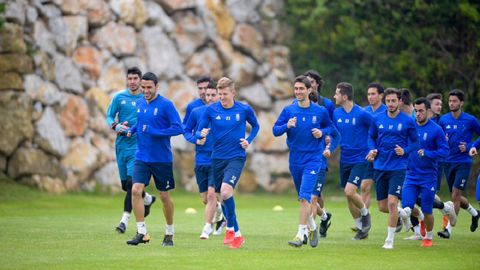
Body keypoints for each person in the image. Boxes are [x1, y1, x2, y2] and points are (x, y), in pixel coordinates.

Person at [195, 77, 260, 249]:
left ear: (233, 92)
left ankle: (229, 228)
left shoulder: (244, 109)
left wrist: (249, 140)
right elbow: (199, 131)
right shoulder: (211, 110)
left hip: (236, 157)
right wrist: (200, 136)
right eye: (220, 94)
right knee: (222, 197)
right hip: (217, 159)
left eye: (225, 94)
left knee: (224, 192)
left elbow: (256, 127)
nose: (222, 97)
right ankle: (237, 234)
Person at [273, 75, 334, 248]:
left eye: (301, 89)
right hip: (295, 160)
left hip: (314, 160)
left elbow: (330, 128)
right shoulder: (289, 110)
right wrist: (287, 126)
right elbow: (275, 130)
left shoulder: (320, 111)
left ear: (309, 90)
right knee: (304, 199)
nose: (298, 92)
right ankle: (313, 227)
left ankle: (301, 234)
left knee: (304, 197)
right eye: (296, 89)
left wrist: (322, 133)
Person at [125, 72, 184, 246]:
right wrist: (133, 130)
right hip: (142, 157)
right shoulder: (140, 103)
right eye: (143, 87)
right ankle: (142, 232)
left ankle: (169, 233)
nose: (145, 91)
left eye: (149, 87)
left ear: (157, 87)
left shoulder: (166, 105)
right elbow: (142, 122)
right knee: (135, 190)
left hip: (161, 159)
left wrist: (155, 132)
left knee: (164, 196)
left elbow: (178, 128)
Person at [366, 88, 418, 249]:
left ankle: (389, 241)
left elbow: (416, 143)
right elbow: (371, 137)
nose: (390, 104)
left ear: (399, 101)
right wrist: (372, 149)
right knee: (383, 207)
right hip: (380, 166)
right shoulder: (377, 119)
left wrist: (405, 151)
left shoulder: (408, 120)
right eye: (388, 101)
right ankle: (404, 213)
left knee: (392, 202)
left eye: (393, 101)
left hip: (398, 167)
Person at [105, 67, 155, 234]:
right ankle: (147, 199)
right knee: (126, 186)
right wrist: (116, 125)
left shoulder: (145, 99)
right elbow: (109, 116)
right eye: (130, 78)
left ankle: (124, 221)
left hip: (138, 147)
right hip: (121, 146)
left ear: (141, 81)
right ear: (127, 80)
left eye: (135, 78)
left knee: (132, 183)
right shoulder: (119, 97)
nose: (132, 81)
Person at [399, 97, 449, 247]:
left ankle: (428, 237)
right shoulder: (410, 127)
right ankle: (413, 221)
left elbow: (445, 151)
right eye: (416, 110)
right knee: (407, 206)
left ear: (428, 111)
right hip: (411, 175)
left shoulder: (436, 130)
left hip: (428, 176)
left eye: (421, 111)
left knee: (428, 210)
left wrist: (428, 153)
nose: (418, 114)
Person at [183, 80, 225, 239]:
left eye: (214, 95)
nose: (210, 98)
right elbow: (186, 130)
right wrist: (195, 139)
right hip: (200, 160)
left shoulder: (224, 113)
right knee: (205, 199)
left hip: (217, 159)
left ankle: (206, 228)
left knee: (212, 195)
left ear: (219, 96)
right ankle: (220, 214)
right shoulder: (196, 112)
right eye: (208, 95)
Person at [332, 82, 372, 240]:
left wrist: (372, 149)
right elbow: (331, 130)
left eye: (337, 93)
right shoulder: (336, 114)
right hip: (345, 159)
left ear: (345, 96)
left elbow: (375, 130)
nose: (334, 96)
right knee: (348, 195)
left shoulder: (362, 114)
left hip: (360, 159)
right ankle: (362, 228)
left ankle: (365, 214)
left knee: (350, 191)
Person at [438, 89, 480, 233]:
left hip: (463, 162)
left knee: (455, 195)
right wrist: (443, 140)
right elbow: (438, 138)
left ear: (461, 103)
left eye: (455, 101)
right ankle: (475, 214)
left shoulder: (470, 120)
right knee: (456, 197)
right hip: (448, 162)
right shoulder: (443, 120)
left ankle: (448, 229)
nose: (451, 103)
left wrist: (471, 146)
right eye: (450, 101)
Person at [303, 70, 334, 237]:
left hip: (319, 157)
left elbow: (332, 129)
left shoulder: (326, 105)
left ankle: (307, 232)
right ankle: (324, 216)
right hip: (302, 158)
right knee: (311, 196)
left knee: (313, 198)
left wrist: (327, 143)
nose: (309, 86)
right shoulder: (296, 104)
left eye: (312, 82)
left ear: (317, 85)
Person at [361, 83, 386, 222]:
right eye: (368, 94)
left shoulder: (387, 112)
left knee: (388, 196)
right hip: (369, 155)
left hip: (384, 156)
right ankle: (365, 221)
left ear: (381, 95)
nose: (370, 96)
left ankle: (399, 215)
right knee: (364, 186)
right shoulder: (364, 112)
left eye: (373, 94)